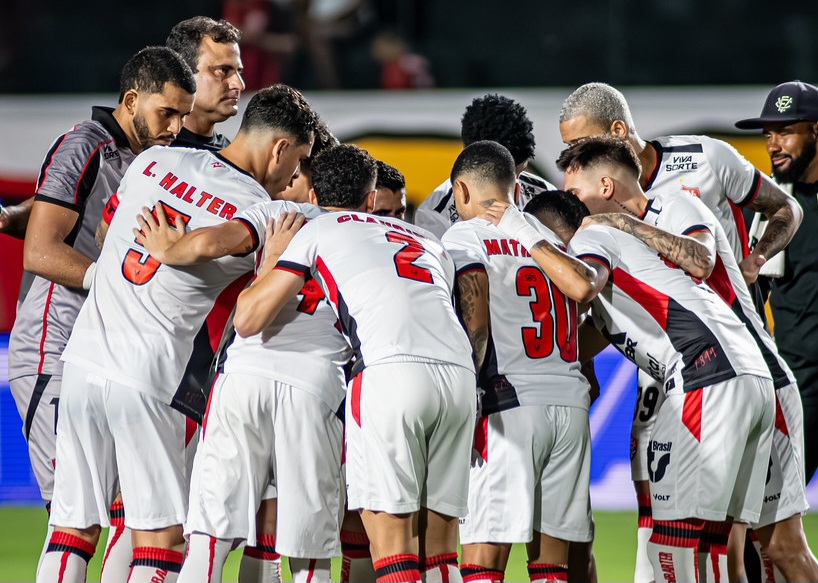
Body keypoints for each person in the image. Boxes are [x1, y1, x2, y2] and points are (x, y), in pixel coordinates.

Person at [37, 84, 317, 583]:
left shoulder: (153, 161)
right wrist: (254, 259)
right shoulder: (262, 206)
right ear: (280, 148)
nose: (293, 174)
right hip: (151, 374)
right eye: (297, 161)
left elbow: (104, 236)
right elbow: (214, 244)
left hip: (84, 357)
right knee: (159, 536)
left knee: (70, 528)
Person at [558, 82, 803, 583]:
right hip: (677, 370)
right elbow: (626, 305)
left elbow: (780, 212)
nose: (570, 169)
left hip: (725, 363)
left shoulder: (696, 173)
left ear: (615, 135)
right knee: (693, 532)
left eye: (579, 149)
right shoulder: (605, 221)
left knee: (753, 546)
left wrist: (757, 258)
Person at [481, 183, 776, 583]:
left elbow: (583, 282)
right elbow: (569, 349)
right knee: (719, 550)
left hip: (704, 375)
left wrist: (522, 230)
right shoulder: (626, 270)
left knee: (671, 547)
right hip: (748, 373)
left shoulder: (591, 238)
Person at [235, 143, 477, 583]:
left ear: (312, 196)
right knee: (441, 551)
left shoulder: (317, 228)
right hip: (460, 379)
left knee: (392, 547)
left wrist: (271, 261)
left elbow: (249, 319)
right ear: (372, 199)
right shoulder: (429, 241)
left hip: (390, 372)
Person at [3, 45, 196, 581]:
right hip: (54, 344)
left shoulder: (149, 163)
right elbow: (41, 252)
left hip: (104, 355)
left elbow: (53, 215)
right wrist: (115, 287)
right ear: (132, 99)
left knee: (119, 515)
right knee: (75, 519)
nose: (176, 127)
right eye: (167, 113)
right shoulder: (86, 144)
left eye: (183, 116)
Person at [440, 141, 594, 582]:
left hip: (508, 408)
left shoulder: (464, 235)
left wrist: (465, 401)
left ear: (461, 191)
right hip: (569, 404)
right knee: (551, 566)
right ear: (516, 190)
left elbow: (477, 321)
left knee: (482, 563)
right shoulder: (545, 235)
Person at [735, 80, 818, 487]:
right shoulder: (771, 207)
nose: (773, 145)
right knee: (765, 521)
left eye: (785, 131)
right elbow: (750, 296)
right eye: (768, 135)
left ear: (816, 130)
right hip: (802, 388)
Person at [414, 93, 557, 238]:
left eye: (517, 175)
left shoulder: (546, 195)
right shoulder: (434, 215)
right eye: (498, 176)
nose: (511, 187)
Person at [166, 16, 245, 151]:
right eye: (223, 70)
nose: (239, 84)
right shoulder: (149, 150)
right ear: (181, 74)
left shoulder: (231, 156)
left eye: (239, 72)